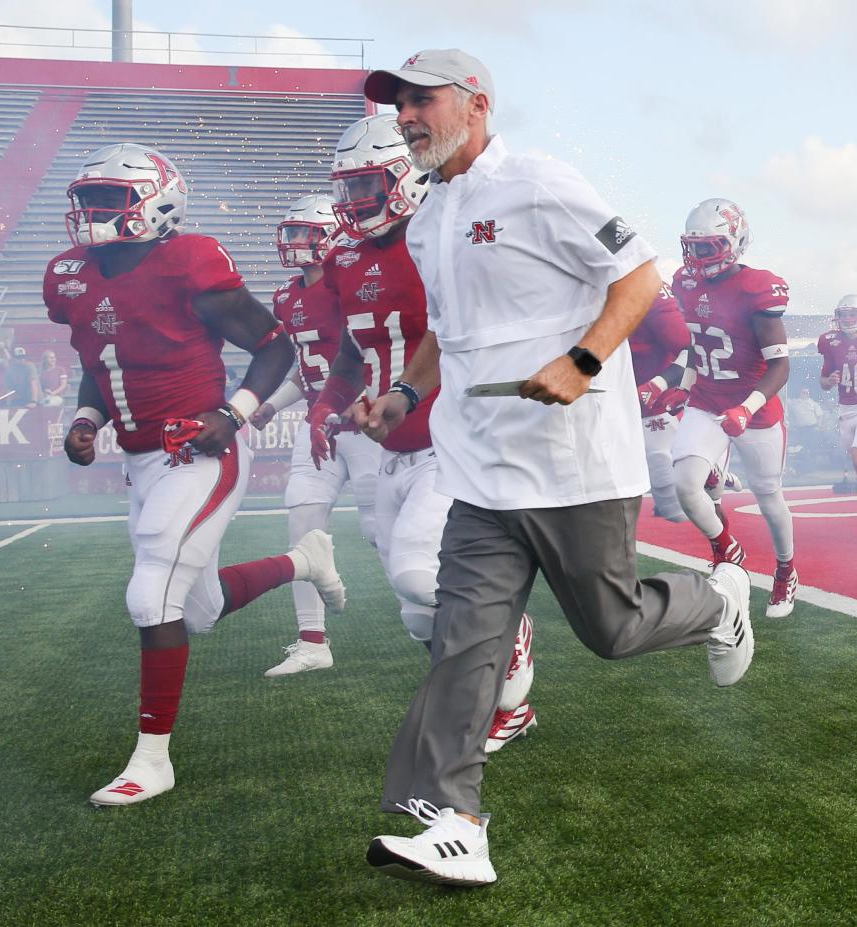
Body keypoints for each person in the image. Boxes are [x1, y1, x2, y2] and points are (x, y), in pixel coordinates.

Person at [358, 49, 753, 886]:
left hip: (574, 467)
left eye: (422, 101)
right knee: (464, 646)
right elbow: (442, 329)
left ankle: (719, 598)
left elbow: (639, 276)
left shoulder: (537, 182)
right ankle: (456, 824)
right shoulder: (428, 216)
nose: (407, 117)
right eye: (400, 106)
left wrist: (583, 358)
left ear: (476, 104)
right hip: (479, 473)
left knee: (610, 629)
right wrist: (401, 392)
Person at [43, 142, 346, 807]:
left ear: (157, 206)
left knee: (152, 595)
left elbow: (273, 345)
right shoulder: (69, 273)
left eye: (109, 201)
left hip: (199, 451)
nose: (92, 213)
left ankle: (153, 759)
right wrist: (88, 418)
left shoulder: (189, 261)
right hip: (142, 458)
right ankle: (305, 559)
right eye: (87, 200)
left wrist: (232, 413)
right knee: (198, 606)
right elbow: (101, 362)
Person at [309, 113, 536, 753]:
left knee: (418, 574)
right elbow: (353, 350)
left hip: (452, 436)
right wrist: (332, 401)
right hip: (392, 448)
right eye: (346, 190)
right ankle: (478, 704)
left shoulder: (451, 231)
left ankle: (509, 665)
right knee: (418, 613)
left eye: (366, 188)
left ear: (406, 178)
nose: (353, 204)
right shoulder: (344, 258)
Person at [248, 193, 382, 676]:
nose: (297, 243)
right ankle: (312, 642)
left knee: (381, 533)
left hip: (368, 426)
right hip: (315, 428)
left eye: (306, 232)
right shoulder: (286, 295)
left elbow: (374, 352)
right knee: (302, 530)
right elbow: (305, 372)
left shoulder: (354, 281)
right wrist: (270, 404)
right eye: (293, 233)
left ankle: (447, 614)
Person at [670, 199, 797, 619]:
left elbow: (780, 365)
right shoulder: (685, 284)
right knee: (686, 484)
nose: (696, 257)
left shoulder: (755, 287)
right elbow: (695, 349)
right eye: (692, 246)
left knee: (768, 495)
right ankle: (727, 550)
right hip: (707, 402)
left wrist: (746, 408)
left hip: (755, 410)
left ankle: (785, 570)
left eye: (707, 247)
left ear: (734, 242)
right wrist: (676, 385)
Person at [817, 295, 857, 534]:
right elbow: (823, 381)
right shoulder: (830, 341)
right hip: (846, 411)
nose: (847, 319)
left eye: (852, 314)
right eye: (843, 314)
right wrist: (829, 380)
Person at [631, 283, 692, 521]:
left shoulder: (650, 293)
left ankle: (710, 472)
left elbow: (690, 350)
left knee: (673, 509)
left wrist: (658, 384)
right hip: (612, 407)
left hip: (654, 407)